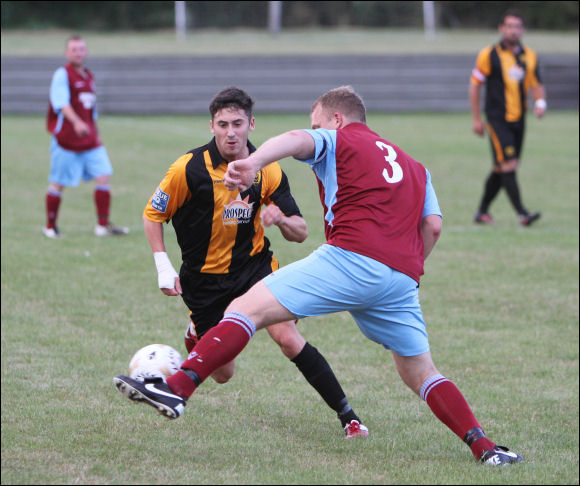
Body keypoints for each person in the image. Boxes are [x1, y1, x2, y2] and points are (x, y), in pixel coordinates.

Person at [114, 85, 523, 465]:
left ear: (337, 119)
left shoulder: (341, 137)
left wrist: (254, 161)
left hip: (350, 257)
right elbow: (432, 226)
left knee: (245, 308)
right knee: (421, 372)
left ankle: (177, 389)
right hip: (401, 278)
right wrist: (408, 273)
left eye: (318, 123)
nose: (315, 130)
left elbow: (295, 139)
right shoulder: (417, 167)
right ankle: (486, 448)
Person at [116, 86, 368, 438]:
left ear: (251, 124)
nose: (230, 132)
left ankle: (350, 418)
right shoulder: (188, 169)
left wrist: (280, 219)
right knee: (223, 373)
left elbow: (301, 232)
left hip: (254, 269)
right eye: (222, 124)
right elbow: (151, 215)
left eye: (237, 123)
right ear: (211, 126)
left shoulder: (268, 169)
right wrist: (163, 265)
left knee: (288, 337)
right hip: (203, 282)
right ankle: (196, 334)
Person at [43, 35, 128, 238]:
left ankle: (102, 225)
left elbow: (91, 110)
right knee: (58, 182)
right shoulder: (62, 75)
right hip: (66, 141)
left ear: (86, 52)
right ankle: (50, 227)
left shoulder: (89, 76)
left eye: (81, 49)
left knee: (104, 175)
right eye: (74, 49)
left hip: (90, 141)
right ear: (67, 53)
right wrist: (77, 122)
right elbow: (61, 104)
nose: (78, 52)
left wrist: (94, 131)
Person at [470, 9, 545, 226]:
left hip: (519, 120)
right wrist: (476, 118)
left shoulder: (529, 56)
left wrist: (540, 103)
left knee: (502, 168)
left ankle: (482, 212)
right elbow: (475, 85)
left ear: (523, 29)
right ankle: (523, 214)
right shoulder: (489, 54)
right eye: (509, 26)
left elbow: (537, 84)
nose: (513, 31)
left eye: (517, 26)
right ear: (501, 28)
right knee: (509, 164)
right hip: (497, 119)